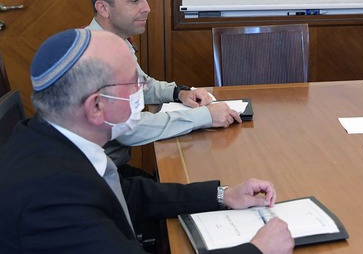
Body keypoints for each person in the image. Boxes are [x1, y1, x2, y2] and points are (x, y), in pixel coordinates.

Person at [0, 28, 294, 253]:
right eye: (133, 83)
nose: (142, 91)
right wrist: (257, 250)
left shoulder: (46, 134)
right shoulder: (53, 199)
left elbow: (125, 195)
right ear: (96, 107)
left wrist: (222, 196)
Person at [87, 0, 242, 173]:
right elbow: (128, 128)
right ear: (103, 8)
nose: (146, 8)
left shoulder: (115, 42)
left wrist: (179, 93)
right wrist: (205, 116)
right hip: (99, 177)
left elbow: (141, 85)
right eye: (135, 1)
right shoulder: (96, 54)